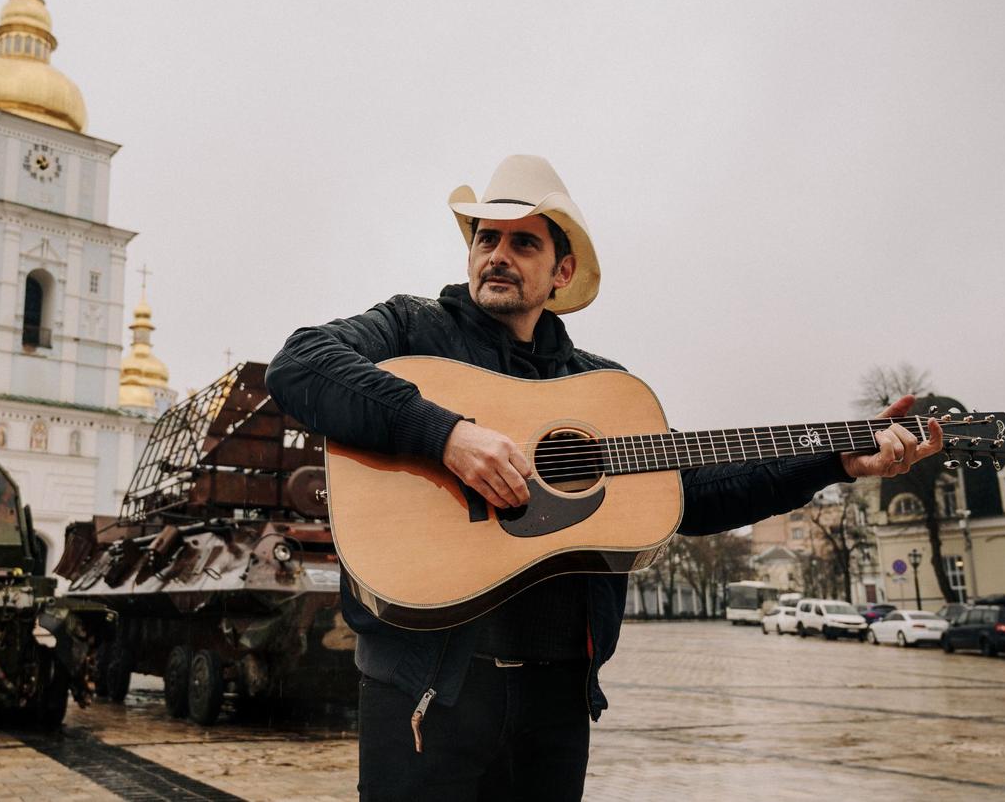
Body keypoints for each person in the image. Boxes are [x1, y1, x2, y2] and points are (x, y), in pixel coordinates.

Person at [264, 154, 942, 802]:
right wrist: (446, 434)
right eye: (486, 237)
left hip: (552, 705)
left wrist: (835, 460)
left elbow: (695, 492)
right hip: (425, 691)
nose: (496, 252)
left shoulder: (603, 388)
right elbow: (298, 363)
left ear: (561, 270)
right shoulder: (413, 328)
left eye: (522, 242)